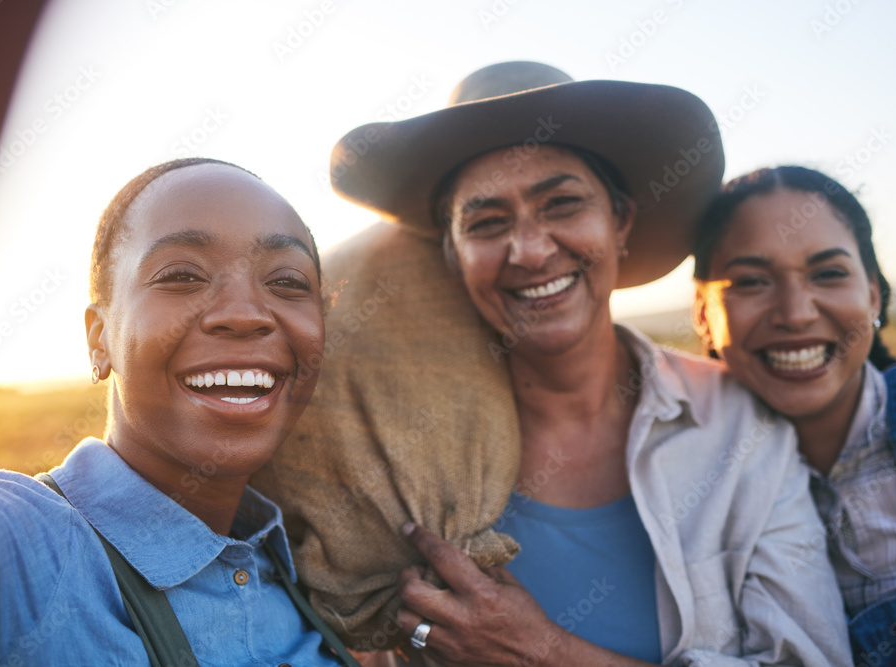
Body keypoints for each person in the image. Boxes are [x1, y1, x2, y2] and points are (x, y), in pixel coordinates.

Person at [278, 62, 852, 665]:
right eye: (487, 222)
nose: (530, 250)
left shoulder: (739, 429)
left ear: (621, 220)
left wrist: (546, 653)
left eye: (563, 204)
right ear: (452, 254)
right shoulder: (401, 460)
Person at [0, 157, 357, 666]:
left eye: (287, 282)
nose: (244, 314)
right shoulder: (11, 542)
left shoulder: (317, 571)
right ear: (99, 339)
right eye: (181, 275)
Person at [692, 166, 896, 666]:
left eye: (828, 273)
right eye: (752, 280)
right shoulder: (685, 482)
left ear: (873, 295)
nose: (796, 313)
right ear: (702, 314)